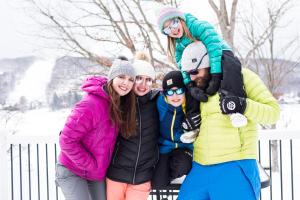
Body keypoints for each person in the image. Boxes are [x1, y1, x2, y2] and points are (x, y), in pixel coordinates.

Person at [177, 41, 280, 200]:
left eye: (195, 71)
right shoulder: (196, 90)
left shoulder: (242, 77)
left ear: (209, 63)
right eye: (189, 73)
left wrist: (243, 105)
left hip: (234, 165)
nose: (192, 77)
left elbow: (273, 113)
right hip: (200, 167)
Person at [55, 58, 136, 200]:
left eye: (130, 80)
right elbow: (66, 140)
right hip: (72, 169)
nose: (126, 83)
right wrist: (91, 165)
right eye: (121, 77)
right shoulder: (90, 105)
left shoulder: (119, 104)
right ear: (112, 78)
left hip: (95, 173)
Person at [156, 6, 247, 127]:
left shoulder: (197, 26)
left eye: (174, 23)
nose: (173, 30)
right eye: (167, 30)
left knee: (230, 65)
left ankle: (234, 106)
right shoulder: (179, 46)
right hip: (200, 64)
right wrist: (190, 85)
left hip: (220, 52)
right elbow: (183, 67)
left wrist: (216, 75)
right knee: (191, 82)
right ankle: (192, 118)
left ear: (180, 19)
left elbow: (214, 46)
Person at [106, 52, 160, 200]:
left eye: (148, 80)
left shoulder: (158, 101)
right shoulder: (119, 102)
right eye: (138, 78)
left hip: (142, 179)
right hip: (116, 175)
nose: (143, 84)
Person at [151, 70, 197, 189]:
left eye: (179, 91)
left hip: (184, 148)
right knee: (158, 184)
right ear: (165, 93)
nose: (175, 96)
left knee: (183, 165)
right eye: (170, 92)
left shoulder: (192, 105)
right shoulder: (159, 103)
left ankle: (174, 173)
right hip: (164, 147)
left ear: (185, 91)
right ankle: (165, 174)